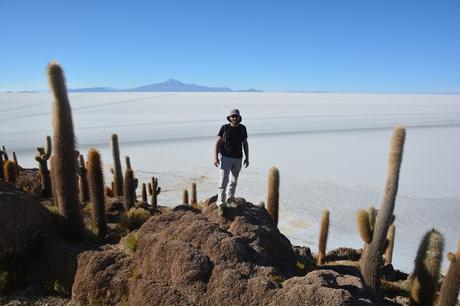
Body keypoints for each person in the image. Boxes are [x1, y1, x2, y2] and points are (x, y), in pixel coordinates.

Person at [213, 109, 249, 216]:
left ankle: (230, 199)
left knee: (234, 180)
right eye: (232, 116)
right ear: (229, 118)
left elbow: (245, 143)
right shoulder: (224, 128)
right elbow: (217, 142)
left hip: (238, 158)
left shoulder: (243, 128)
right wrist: (215, 157)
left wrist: (247, 157)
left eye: (236, 116)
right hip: (226, 158)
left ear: (239, 118)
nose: (234, 118)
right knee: (223, 181)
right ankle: (220, 204)